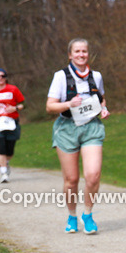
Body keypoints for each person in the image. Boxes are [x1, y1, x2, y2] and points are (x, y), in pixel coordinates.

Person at [46, 38, 110, 234]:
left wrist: (104, 108)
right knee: (71, 179)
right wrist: (68, 104)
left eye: (84, 51)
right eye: (77, 51)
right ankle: (72, 215)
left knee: (92, 175)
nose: (81, 55)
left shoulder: (96, 76)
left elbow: (101, 97)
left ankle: (88, 214)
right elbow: (50, 106)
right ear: (70, 55)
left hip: (91, 128)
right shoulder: (60, 76)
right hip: (67, 128)